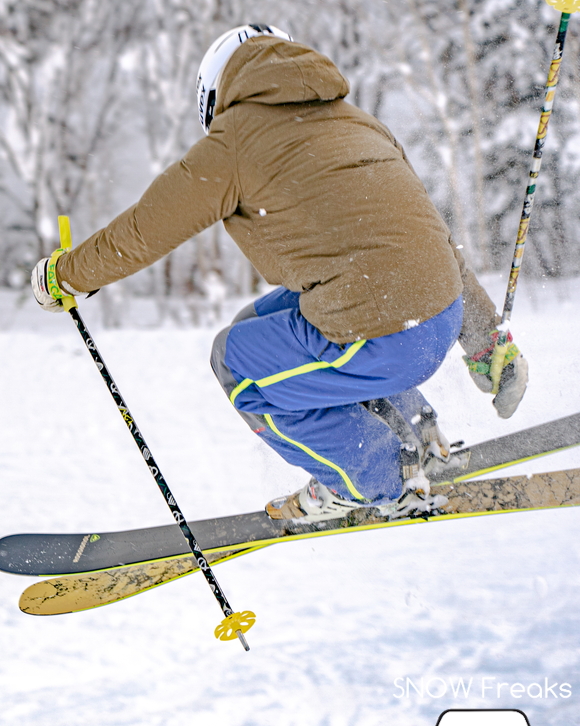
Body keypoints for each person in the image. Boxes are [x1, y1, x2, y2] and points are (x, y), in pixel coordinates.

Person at [30, 25, 529, 522]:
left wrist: (66, 275)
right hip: (439, 320)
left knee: (235, 364)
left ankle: (371, 479)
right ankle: (415, 429)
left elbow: (146, 229)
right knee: (256, 325)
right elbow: (432, 241)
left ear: (216, 94)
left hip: (382, 340)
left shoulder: (237, 139)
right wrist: (488, 341)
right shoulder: (359, 122)